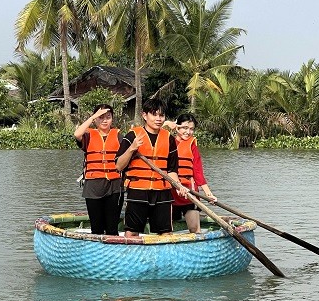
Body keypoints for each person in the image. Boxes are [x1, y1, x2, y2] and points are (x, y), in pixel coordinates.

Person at [115, 98, 187, 238]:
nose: (158, 119)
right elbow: (119, 166)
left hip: (162, 191)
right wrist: (131, 149)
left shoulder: (169, 139)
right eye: (154, 114)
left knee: (166, 232)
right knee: (132, 231)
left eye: (161, 115)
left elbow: (172, 170)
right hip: (138, 190)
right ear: (144, 115)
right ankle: (131, 257)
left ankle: (164, 258)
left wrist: (179, 186)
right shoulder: (132, 136)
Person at [73, 104, 123, 235]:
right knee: (97, 227)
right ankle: (96, 252)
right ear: (95, 119)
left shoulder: (118, 136)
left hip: (114, 185)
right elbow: (77, 133)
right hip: (93, 184)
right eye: (101, 117)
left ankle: (112, 251)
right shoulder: (88, 135)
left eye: (108, 117)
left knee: (112, 227)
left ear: (112, 119)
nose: (105, 120)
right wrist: (93, 117)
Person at [164, 113, 217, 233]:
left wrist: (208, 194)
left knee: (194, 228)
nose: (188, 132)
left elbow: (198, 173)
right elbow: (150, 133)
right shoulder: (166, 141)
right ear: (177, 126)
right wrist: (166, 124)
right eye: (184, 128)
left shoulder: (192, 145)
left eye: (191, 129)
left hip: (189, 192)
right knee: (166, 229)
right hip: (170, 192)